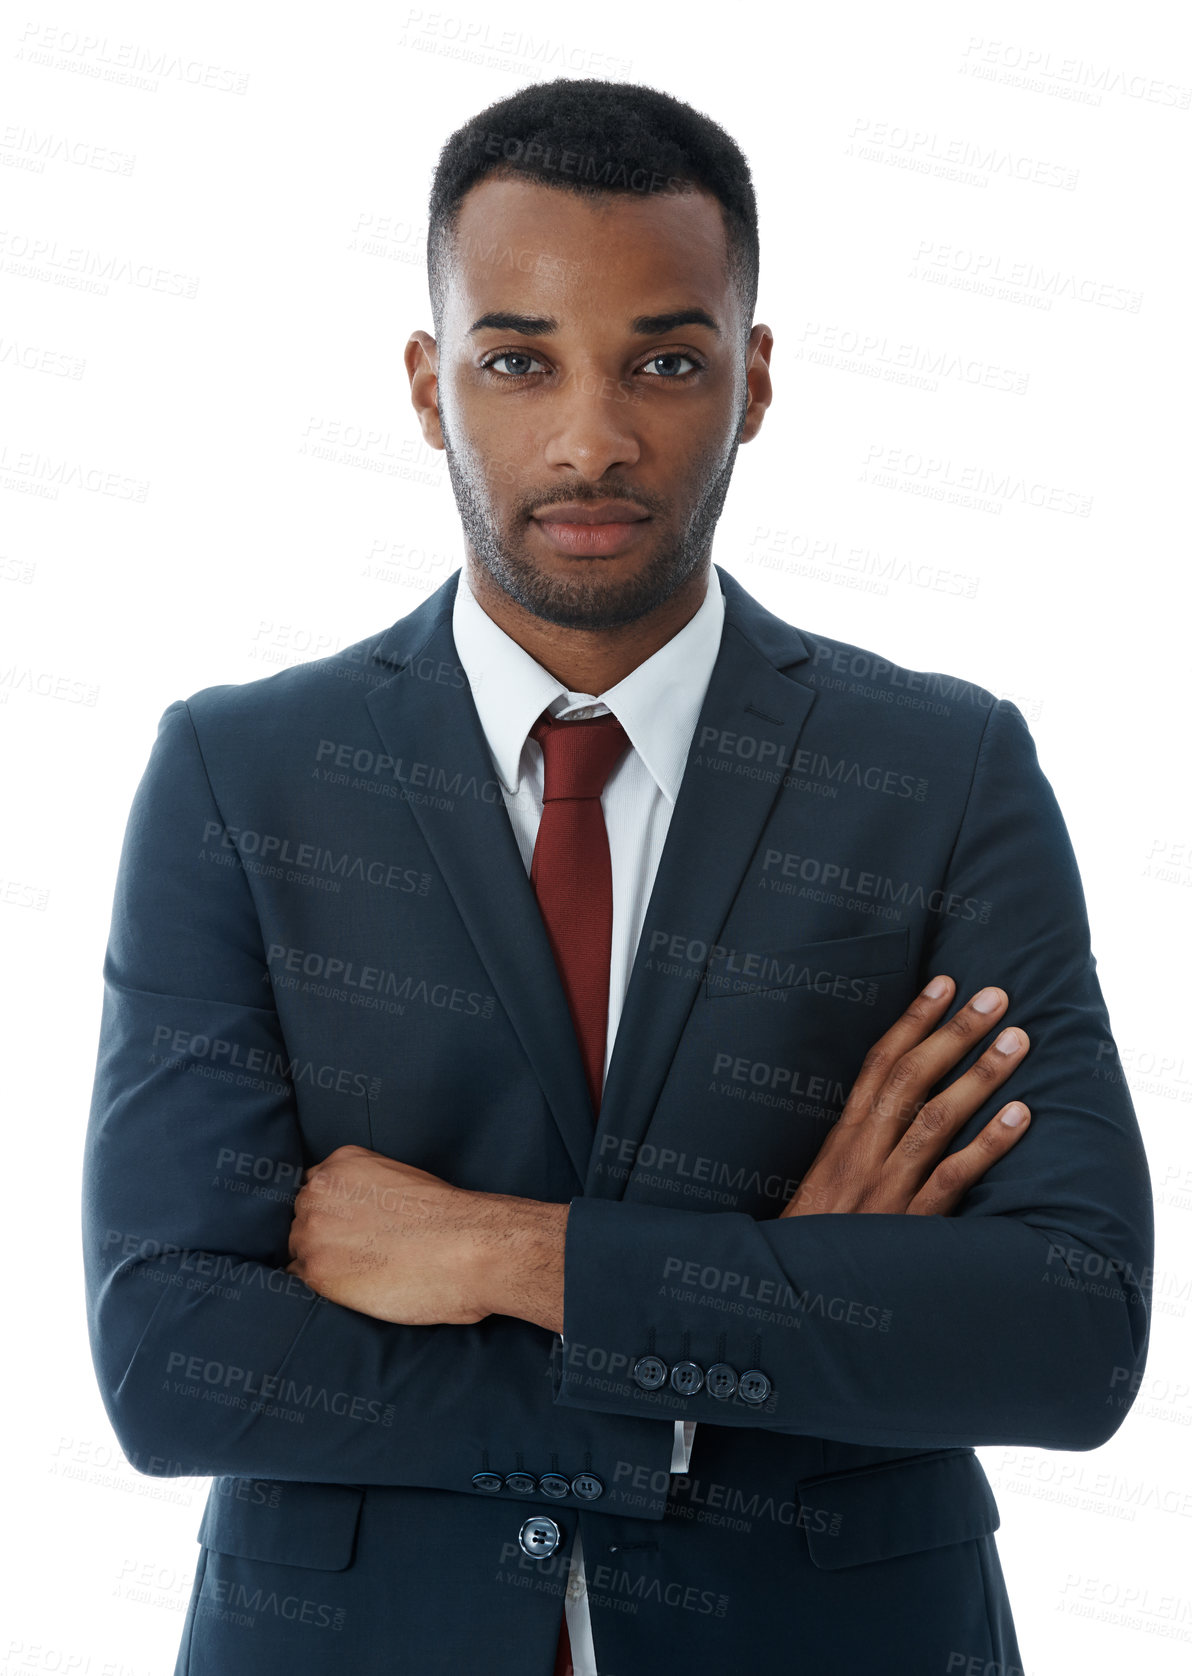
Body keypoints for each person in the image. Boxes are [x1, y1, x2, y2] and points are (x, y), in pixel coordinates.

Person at [82, 79, 1153, 1676]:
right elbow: (170, 1359)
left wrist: (497, 1257)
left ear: (755, 378)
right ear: (432, 387)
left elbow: (1071, 1330)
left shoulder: (941, 773)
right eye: (520, 361)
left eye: (665, 359)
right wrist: (771, 1310)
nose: (593, 439)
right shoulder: (243, 776)